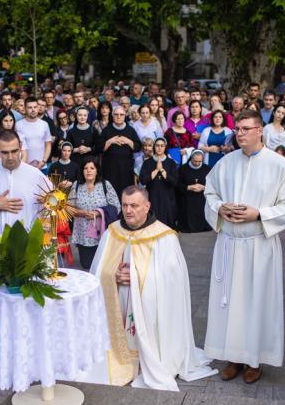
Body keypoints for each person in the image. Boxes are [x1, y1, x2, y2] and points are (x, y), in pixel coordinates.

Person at [204, 109, 285, 383]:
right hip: (230, 244)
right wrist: (219, 208)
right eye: (238, 128)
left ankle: (255, 360)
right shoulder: (225, 162)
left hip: (259, 244)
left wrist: (258, 213)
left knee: (256, 302)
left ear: (261, 131)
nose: (240, 133)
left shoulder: (280, 166)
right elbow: (210, 192)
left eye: (246, 128)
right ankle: (233, 356)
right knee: (229, 303)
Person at [90, 186, 217, 390]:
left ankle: (146, 358)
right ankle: (121, 356)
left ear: (147, 206)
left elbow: (171, 282)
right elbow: (98, 270)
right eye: (124, 205)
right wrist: (112, 275)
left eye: (134, 205)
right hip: (118, 298)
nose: (128, 210)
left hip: (149, 304)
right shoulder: (113, 231)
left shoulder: (164, 236)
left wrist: (134, 276)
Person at [0, 129, 47, 241]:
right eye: (5, 152)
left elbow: (52, 207)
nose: (10, 157)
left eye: (14, 151)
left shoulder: (36, 175)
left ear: (20, 147)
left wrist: (47, 202)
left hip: (29, 243)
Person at [68, 158, 121, 269]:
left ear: (97, 170)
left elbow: (117, 206)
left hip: (102, 235)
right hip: (83, 236)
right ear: (82, 171)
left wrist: (98, 213)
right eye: (85, 168)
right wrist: (80, 212)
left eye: (92, 168)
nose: (89, 171)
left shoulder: (105, 185)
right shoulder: (77, 185)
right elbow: (68, 208)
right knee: (87, 266)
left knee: (101, 267)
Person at [96, 106, 141, 198]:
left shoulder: (130, 130)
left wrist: (128, 141)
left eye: (121, 114)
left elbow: (138, 147)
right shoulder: (106, 130)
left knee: (126, 194)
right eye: (116, 114)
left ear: (125, 116)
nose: (119, 116)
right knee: (111, 193)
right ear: (112, 116)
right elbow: (99, 148)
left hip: (126, 168)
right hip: (110, 168)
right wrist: (110, 141)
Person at [139, 137, 179, 228]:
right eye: (157, 146)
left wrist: (163, 171)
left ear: (165, 147)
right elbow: (142, 180)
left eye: (162, 146)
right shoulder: (147, 163)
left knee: (167, 225)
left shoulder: (171, 163)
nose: (159, 148)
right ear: (154, 147)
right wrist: (156, 170)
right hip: (152, 196)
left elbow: (175, 182)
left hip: (167, 197)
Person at [176, 149, 212, 233]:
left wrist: (204, 187)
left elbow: (213, 184)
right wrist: (189, 187)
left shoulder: (207, 169)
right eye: (195, 161)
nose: (197, 163)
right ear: (191, 158)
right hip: (187, 200)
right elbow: (177, 185)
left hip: (201, 199)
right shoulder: (183, 169)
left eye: (199, 161)